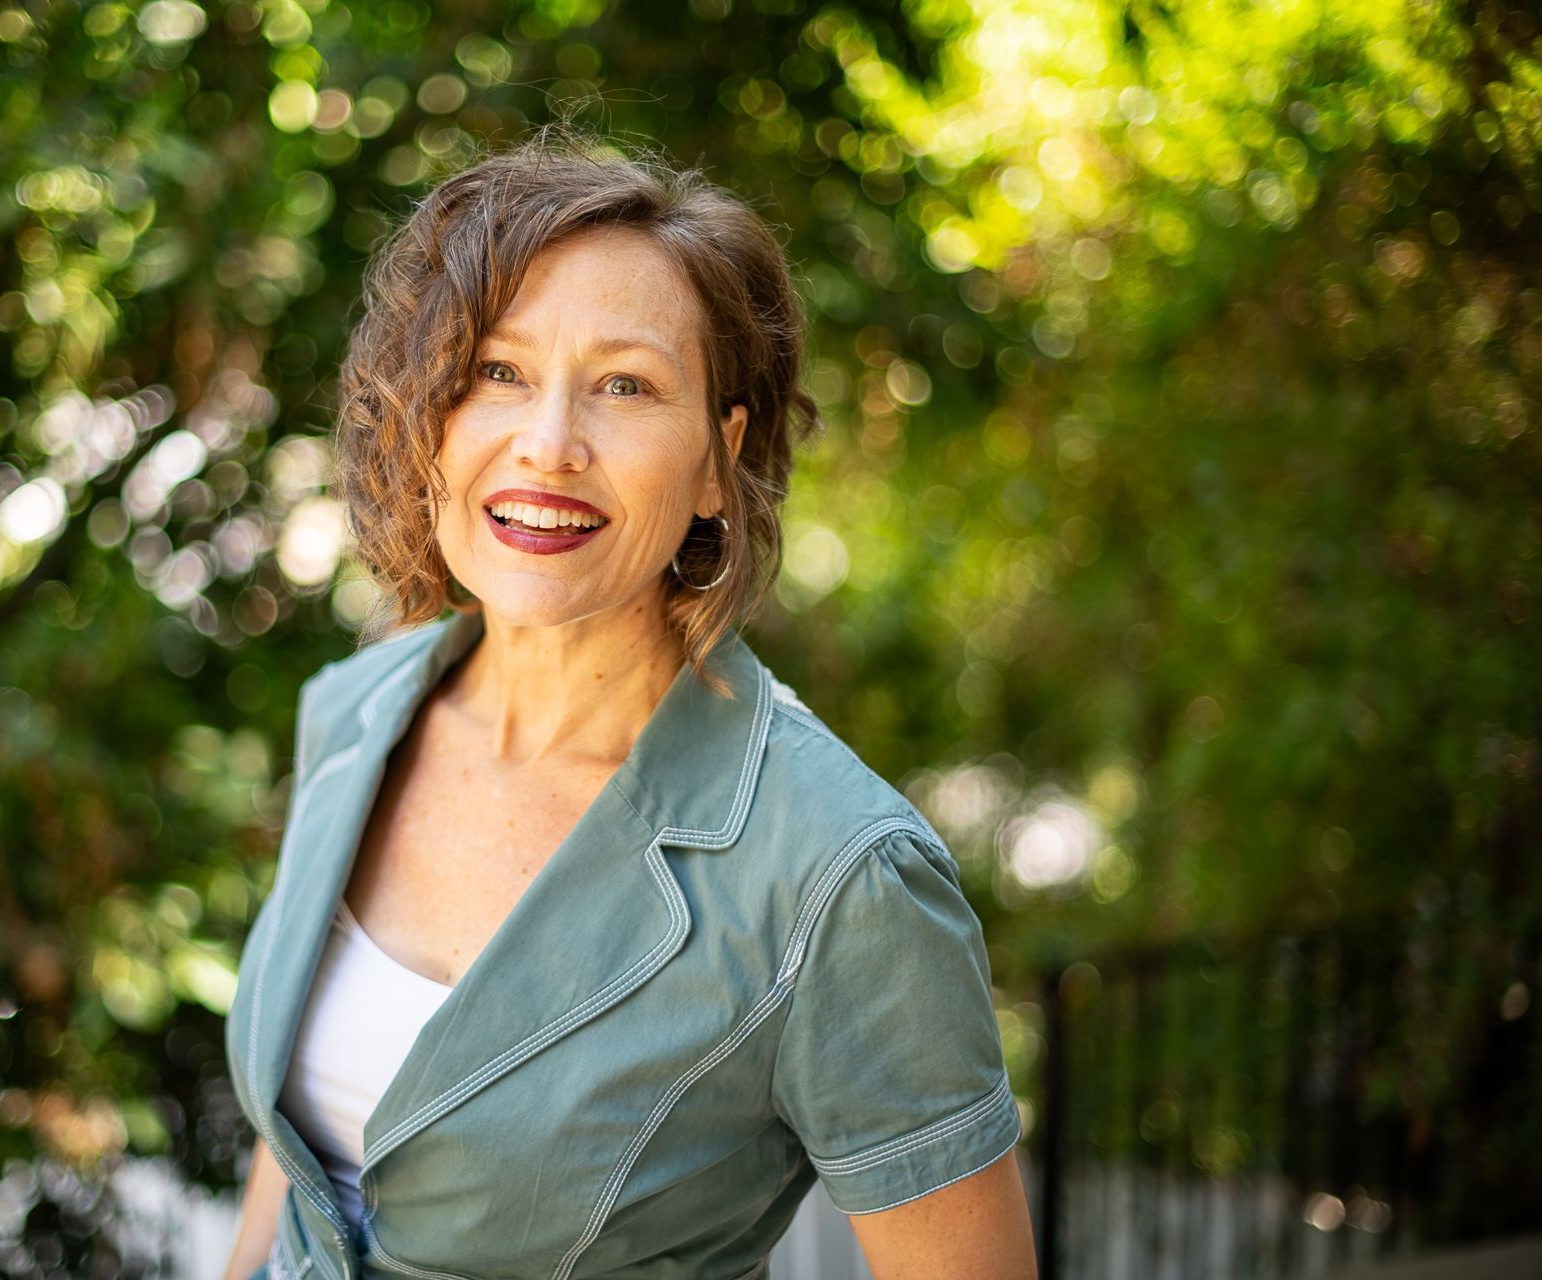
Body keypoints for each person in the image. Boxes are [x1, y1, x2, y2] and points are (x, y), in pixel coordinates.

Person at [221, 125, 1037, 1280]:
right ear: (429, 421)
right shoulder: (355, 712)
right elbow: (298, 1151)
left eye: (626, 385)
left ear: (718, 458)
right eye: (498, 370)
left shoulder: (838, 874)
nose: (548, 445)